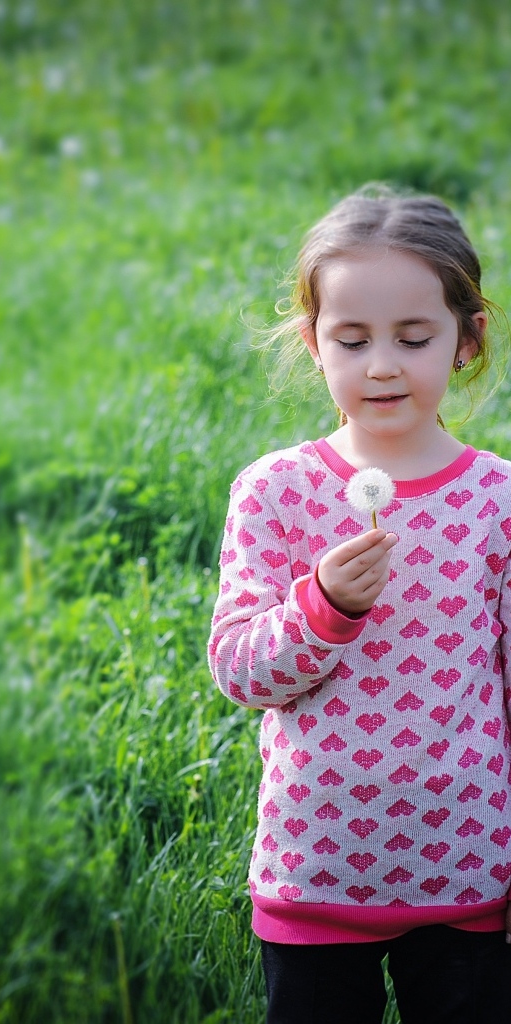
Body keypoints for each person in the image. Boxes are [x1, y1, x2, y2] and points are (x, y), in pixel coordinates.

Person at [207, 186, 511, 1023]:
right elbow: (240, 671)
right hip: (316, 872)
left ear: (466, 340)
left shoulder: (497, 500)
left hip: (466, 872)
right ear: (313, 345)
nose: (382, 364)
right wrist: (324, 608)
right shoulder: (277, 491)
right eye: (352, 339)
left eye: (413, 338)